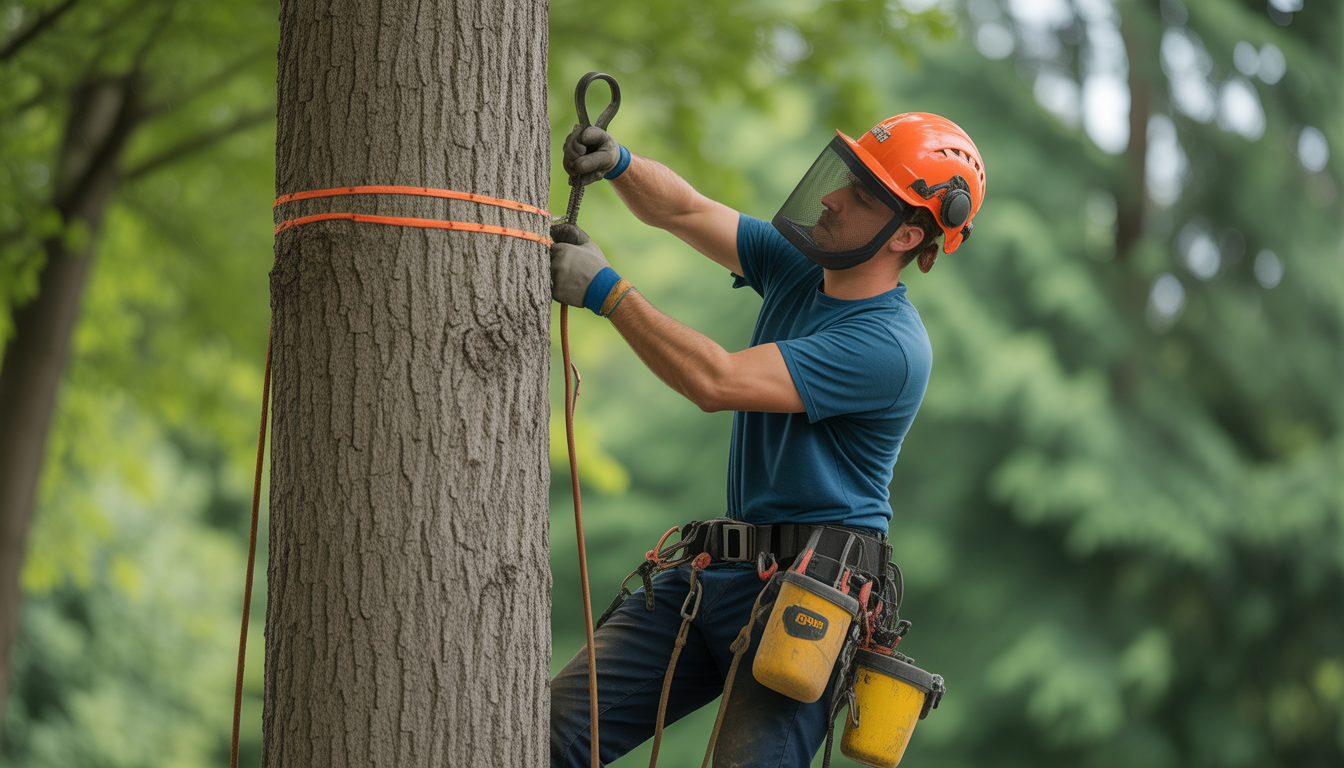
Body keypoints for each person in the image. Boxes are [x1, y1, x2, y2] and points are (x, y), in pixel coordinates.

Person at [549, 113, 986, 768]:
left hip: (810, 600)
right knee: (546, 736)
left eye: (863, 196)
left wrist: (606, 290)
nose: (833, 197)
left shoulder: (888, 348)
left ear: (910, 232)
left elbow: (715, 380)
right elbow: (688, 212)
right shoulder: (798, 268)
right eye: (847, 180)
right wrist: (620, 163)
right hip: (717, 572)